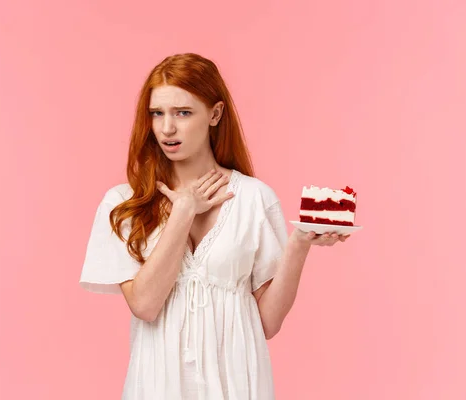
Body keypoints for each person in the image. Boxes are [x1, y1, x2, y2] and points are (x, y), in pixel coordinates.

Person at [79, 52, 349, 399]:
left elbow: (266, 323)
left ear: (215, 114)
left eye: (183, 113)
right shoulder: (123, 203)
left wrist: (298, 245)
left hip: (237, 385)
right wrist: (183, 212)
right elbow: (145, 305)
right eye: (157, 113)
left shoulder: (254, 198)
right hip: (158, 387)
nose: (166, 128)